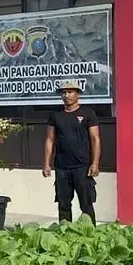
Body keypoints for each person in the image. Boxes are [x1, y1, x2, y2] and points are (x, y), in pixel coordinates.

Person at [43, 80, 100, 223]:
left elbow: (95, 139)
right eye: (64, 92)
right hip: (61, 167)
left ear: (77, 94)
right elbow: (50, 139)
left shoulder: (88, 113)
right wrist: (46, 164)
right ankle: (65, 235)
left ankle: (91, 235)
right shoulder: (55, 115)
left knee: (86, 205)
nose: (66, 95)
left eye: (70, 92)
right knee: (63, 205)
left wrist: (95, 163)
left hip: (83, 167)